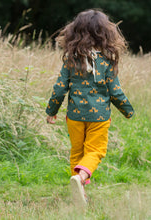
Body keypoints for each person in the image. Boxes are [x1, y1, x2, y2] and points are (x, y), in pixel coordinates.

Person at [46, 9, 134, 206]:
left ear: (75, 32)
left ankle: (81, 194)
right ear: (105, 33)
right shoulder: (107, 60)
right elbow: (115, 91)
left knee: (77, 152)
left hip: (74, 116)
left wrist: (52, 111)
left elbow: (60, 88)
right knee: (95, 151)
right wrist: (127, 110)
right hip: (100, 117)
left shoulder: (71, 57)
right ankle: (81, 178)